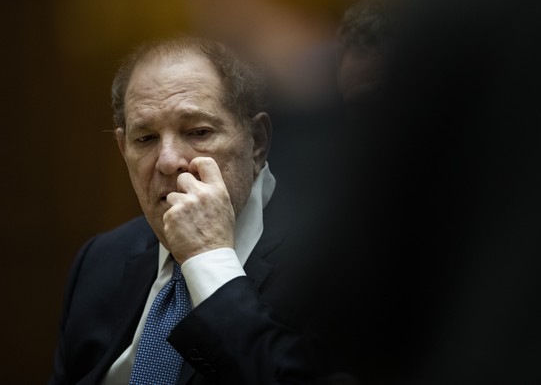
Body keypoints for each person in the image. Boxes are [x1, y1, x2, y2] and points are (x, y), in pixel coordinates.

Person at [48, 36, 346, 385]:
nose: (168, 161)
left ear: (258, 142)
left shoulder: (331, 263)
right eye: (145, 139)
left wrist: (207, 259)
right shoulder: (100, 260)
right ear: (122, 149)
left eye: (198, 132)